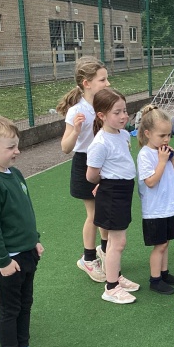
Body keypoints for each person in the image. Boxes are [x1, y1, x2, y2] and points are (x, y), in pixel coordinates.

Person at [0, 115, 53, 347]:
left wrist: (34, 240)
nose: (17, 151)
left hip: (26, 253)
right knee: (10, 309)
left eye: (17, 145)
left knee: (25, 304)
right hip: (8, 261)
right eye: (10, 147)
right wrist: (3, 261)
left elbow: (24, 212)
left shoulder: (14, 174)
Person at [57, 56, 110, 283]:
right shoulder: (76, 111)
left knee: (106, 212)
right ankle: (88, 259)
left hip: (105, 162)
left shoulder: (105, 103)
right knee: (95, 214)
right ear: (87, 83)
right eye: (102, 80)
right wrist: (76, 131)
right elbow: (65, 148)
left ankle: (106, 252)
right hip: (85, 163)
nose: (107, 83)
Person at [86, 88, 140, 304]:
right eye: (117, 112)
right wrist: (105, 183)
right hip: (112, 193)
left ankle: (115, 276)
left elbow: (119, 163)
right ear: (101, 115)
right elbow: (91, 175)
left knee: (117, 241)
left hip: (123, 190)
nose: (123, 116)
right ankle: (111, 288)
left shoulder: (123, 134)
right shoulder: (100, 143)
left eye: (124, 111)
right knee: (117, 243)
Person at [137, 106, 174, 295]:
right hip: (154, 209)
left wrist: (172, 160)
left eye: (169, 135)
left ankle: (164, 273)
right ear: (148, 133)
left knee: (166, 242)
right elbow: (150, 182)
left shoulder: (166, 152)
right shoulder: (145, 154)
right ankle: (155, 280)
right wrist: (162, 161)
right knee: (160, 245)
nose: (166, 139)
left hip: (168, 207)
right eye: (162, 135)